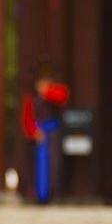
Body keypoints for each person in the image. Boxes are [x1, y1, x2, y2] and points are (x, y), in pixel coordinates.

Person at [21, 58, 69, 204]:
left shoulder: (55, 92)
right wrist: (34, 131)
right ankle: (36, 194)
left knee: (54, 164)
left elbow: (62, 97)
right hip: (39, 132)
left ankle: (53, 193)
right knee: (35, 165)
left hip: (53, 132)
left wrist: (46, 92)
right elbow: (27, 117)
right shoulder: (31, 97)